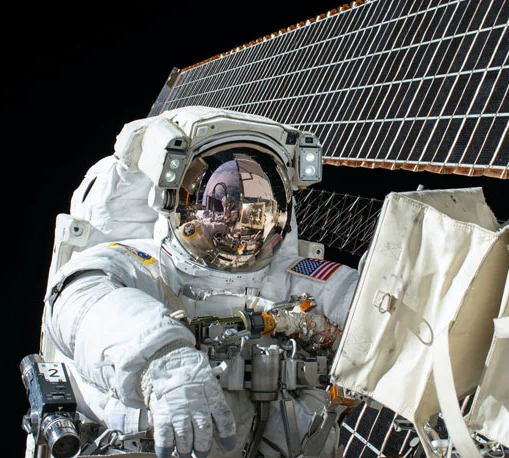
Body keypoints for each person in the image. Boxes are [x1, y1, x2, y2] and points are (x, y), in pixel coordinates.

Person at [40, 106, 358, 457]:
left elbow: (372, 306)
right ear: (179, 201)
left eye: (256, 207)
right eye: (226, 204)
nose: (240, 222)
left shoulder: (294, 277)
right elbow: (79, 296)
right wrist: (161, 358)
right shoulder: (145, 261)